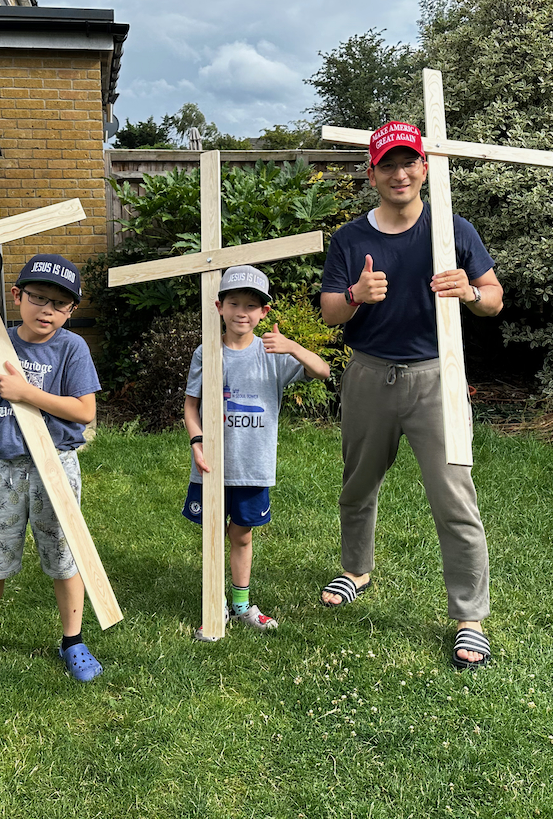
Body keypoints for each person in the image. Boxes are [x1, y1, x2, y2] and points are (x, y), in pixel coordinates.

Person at [318, 121, 504, 671]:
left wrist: (468, 290)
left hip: (435, 377)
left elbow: (493, 298)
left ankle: (469, 617)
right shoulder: (352, 239)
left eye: (409, 163)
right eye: (387, 165)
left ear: (424, 168)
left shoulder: (452, 231)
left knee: (454, 497)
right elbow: (330, 312)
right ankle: (356, 570)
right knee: (358, 484)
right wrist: (356, 294)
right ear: (372, 174)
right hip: (370, 375)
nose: (399, 174)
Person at [0, 254, 104, 688]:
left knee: (64, 559)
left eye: (60, 304)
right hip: (3, 471)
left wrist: (27, 393)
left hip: (57, 467)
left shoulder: (72, 348)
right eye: (37, 298)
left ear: (71, 310)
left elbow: (84, 411)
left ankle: (73, 641)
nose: (47, 310)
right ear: (17, 296)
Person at [183, 265, 331, 639]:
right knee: (213, 536)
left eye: (252, 305)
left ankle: (242, 604)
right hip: (212, 465)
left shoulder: (273, 353)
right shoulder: (207, 352)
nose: (241, 312)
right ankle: (213, 605)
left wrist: (292, 347)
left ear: (264, 312)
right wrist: (197, 442)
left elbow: (324, 371)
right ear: (219, 306)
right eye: (234, 302)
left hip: (252, 466)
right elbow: (190, 405)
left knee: (242, 535)